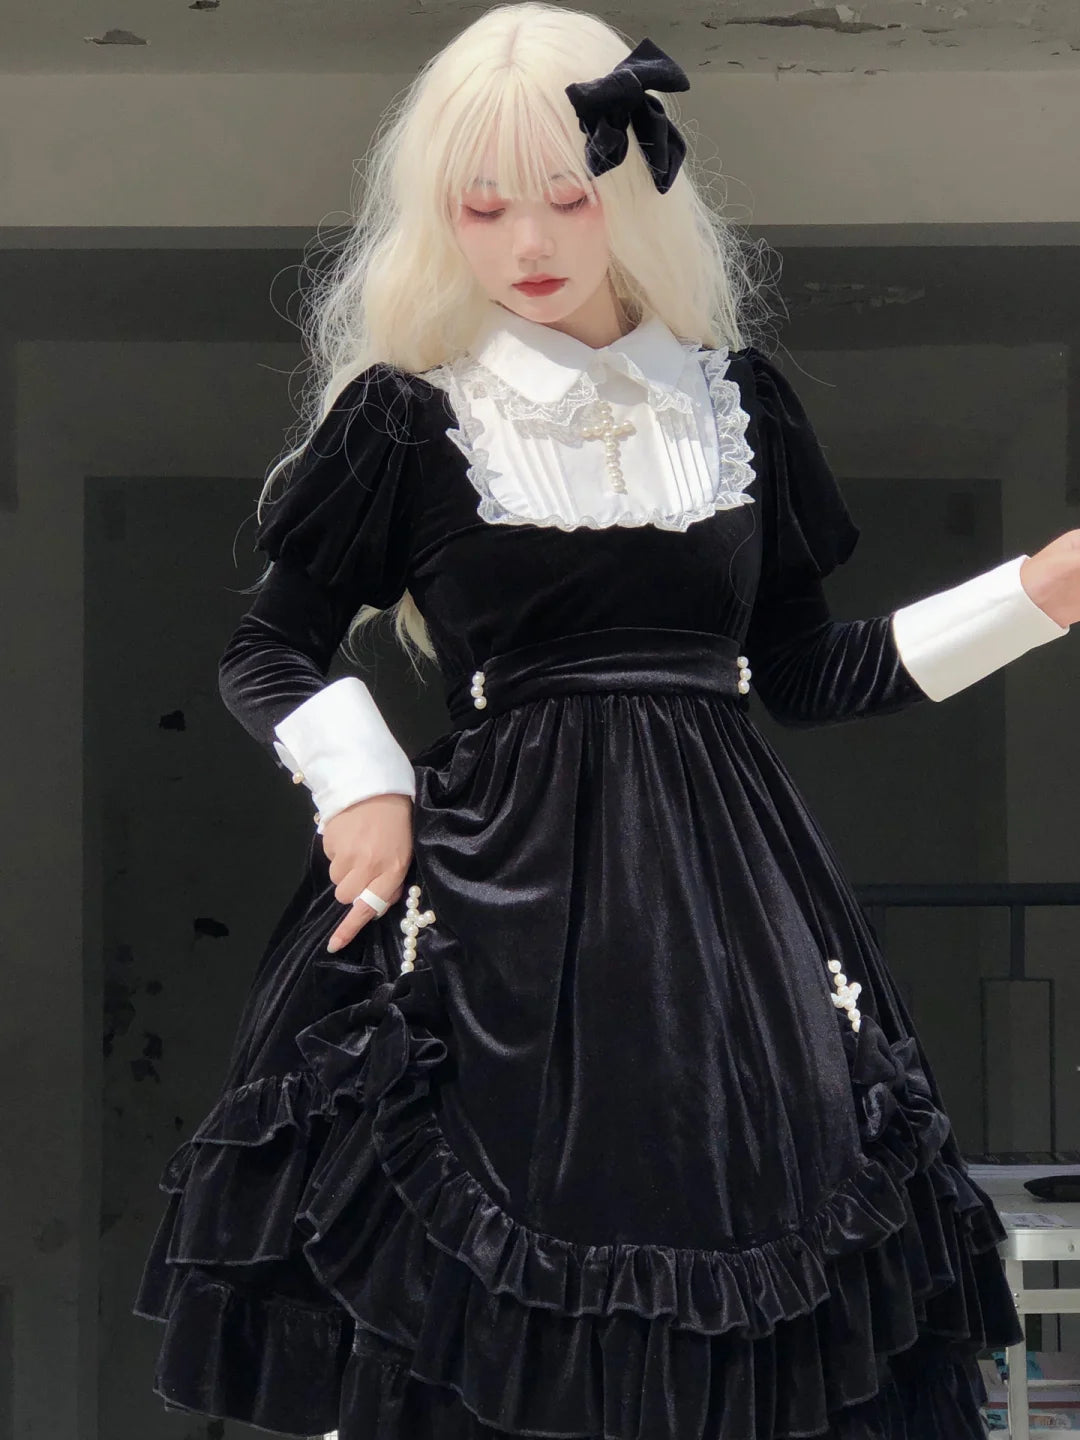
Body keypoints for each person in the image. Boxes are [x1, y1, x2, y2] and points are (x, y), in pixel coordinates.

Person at [133, 6, 1080, 1438]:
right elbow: (269, 648)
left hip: (735, 918)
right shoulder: (408, 420)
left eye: (566, 197)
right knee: (479, 1283)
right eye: (484, 206)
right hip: (498, 905)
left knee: (785, 1266)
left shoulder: (736, 406)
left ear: (630, 188)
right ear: (440, 214)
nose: (528, 242)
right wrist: (361, 779)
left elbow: (806, 671)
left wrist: (1038, 594)